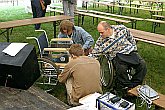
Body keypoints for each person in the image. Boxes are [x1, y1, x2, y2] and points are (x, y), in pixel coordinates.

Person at [92, 21, 147, 96]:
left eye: (101, 32)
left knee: (142, 65)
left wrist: (133, 47)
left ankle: (134, 85)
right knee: (121, 69)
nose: (100, 35)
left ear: (108, 29)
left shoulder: (122, 29)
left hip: (129, 51)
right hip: (116, 56)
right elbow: (95, 53)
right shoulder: (100, 41)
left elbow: (130, 37)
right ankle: (127, 88)